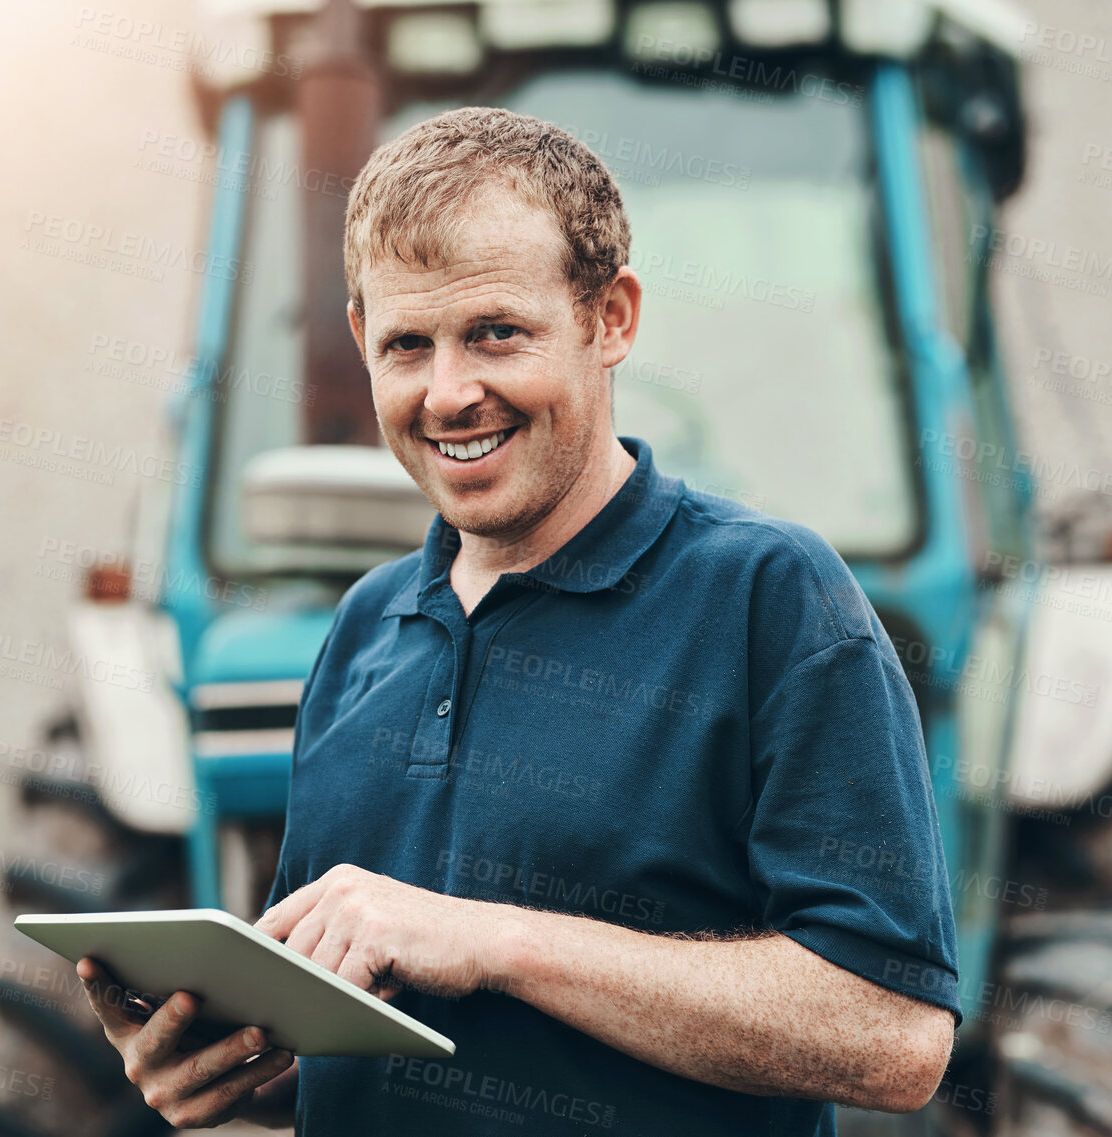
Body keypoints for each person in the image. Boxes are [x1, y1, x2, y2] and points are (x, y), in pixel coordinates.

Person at [79, 105, 959, 1135]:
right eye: (407, 345)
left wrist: (494, 942)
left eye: (496, 333)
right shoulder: (365, 629)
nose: (448, 394)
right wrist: (224, 1072)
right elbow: (378, 1044)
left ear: (610, 319)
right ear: (361, 342)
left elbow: (894, 1035)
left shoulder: (770, 599)